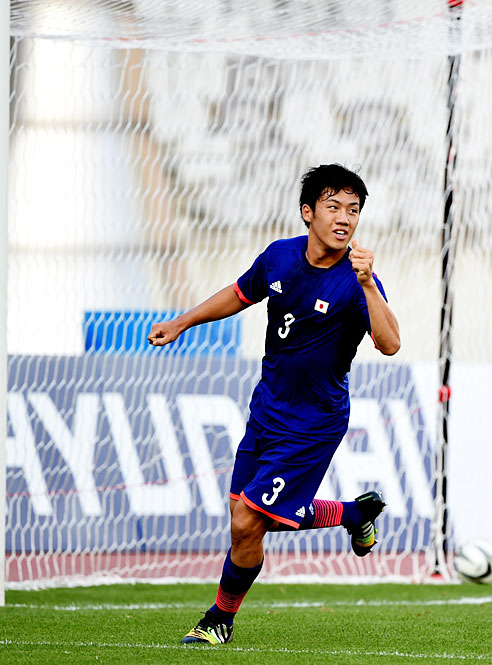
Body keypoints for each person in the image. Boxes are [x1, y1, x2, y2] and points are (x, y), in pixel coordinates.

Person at [147, 164, 401, 644]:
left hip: (314, 422)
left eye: (353, 210)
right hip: (267, 408)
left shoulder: (357, 280)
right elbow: (239, 294)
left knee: (248, 520)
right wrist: (182, 322)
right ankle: (351, 514)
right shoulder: (279, 257)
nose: (344, 218)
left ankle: (219, 620)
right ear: (308, 212)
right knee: (243, 518)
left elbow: (390, 343)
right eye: (333, 207)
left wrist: (369, 284)